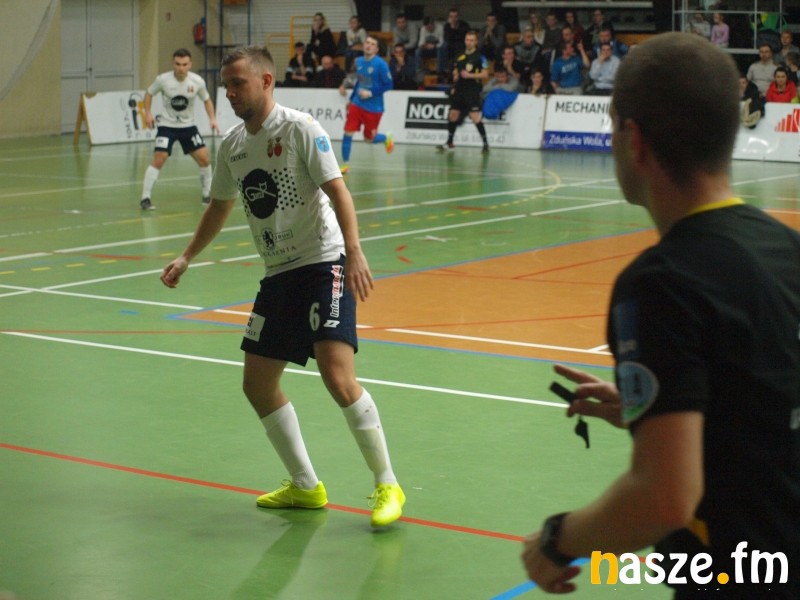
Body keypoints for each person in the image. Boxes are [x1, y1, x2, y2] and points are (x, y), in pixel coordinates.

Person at [521, 32, 800, 598]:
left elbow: (665, 499)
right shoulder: (785, 247)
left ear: (635, 140)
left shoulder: (660, 284)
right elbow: (771, 402)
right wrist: (670, 403)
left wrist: (557, 540)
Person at [160, 45, 406, 529]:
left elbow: (338, 191)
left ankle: (387, 483)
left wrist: (354, 250)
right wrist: (187, 255)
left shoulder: (300, 129)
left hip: (323, 262)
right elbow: (219, 206)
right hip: (278, 272)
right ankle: (306, 485)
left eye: (238, 84)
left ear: (266, 81)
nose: (231, 93)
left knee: (337, 376)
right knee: (257, 384)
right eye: (226, 86)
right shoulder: (233, 145)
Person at [139, 48, 218, 211]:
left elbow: (207, 100)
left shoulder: (197, 81)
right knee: (159, 158)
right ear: (173, 64)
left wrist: (212, 119)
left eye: (184, 64)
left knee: (204, 158)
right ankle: (145, 198)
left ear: (190, 65)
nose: (181, 68)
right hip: (167, 126)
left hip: (188, 127)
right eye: (178, 64)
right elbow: (149, 93)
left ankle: (207, 194)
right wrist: (148, 114)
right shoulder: (163, 80)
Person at [340, 36, 394, 174]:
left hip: (374, 107)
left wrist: (370, 93)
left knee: (369, 139)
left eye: (372, 44)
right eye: (367, 42)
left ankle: (386, 138)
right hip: (357, 104)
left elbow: (389, 84)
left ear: (376, 49)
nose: (369, 45)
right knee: (348, 132)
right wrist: (352, 99)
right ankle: (345, 165)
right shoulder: (358, 61)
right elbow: (359, 81)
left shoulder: (380, 64)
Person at [437, 30, 490, 154]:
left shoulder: (480, 57)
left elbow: (486, 74)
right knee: (453, 114)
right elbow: (456, 69)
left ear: (476, 42)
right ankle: (449, 142)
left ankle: (485, 144)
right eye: (467, 40)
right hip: (459, 88)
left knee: (474, 116)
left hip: (472, 89)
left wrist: (470, 75)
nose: (469, 42)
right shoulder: (459, 55)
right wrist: (455, 77)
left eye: (472, 40)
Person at [442, 8, 471, 75]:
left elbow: (462, 37)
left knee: (459, 47)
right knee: (444, 47)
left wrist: (453, 29)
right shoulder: (447, 26)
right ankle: (443, 70)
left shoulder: (464, 25)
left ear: (458, 17)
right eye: (451, 16)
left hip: (461, 45)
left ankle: (457, 68)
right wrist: (451, 27)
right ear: (449, 17)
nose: (453, 19)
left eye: (455, 16)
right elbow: (447, 38)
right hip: (450, 46)